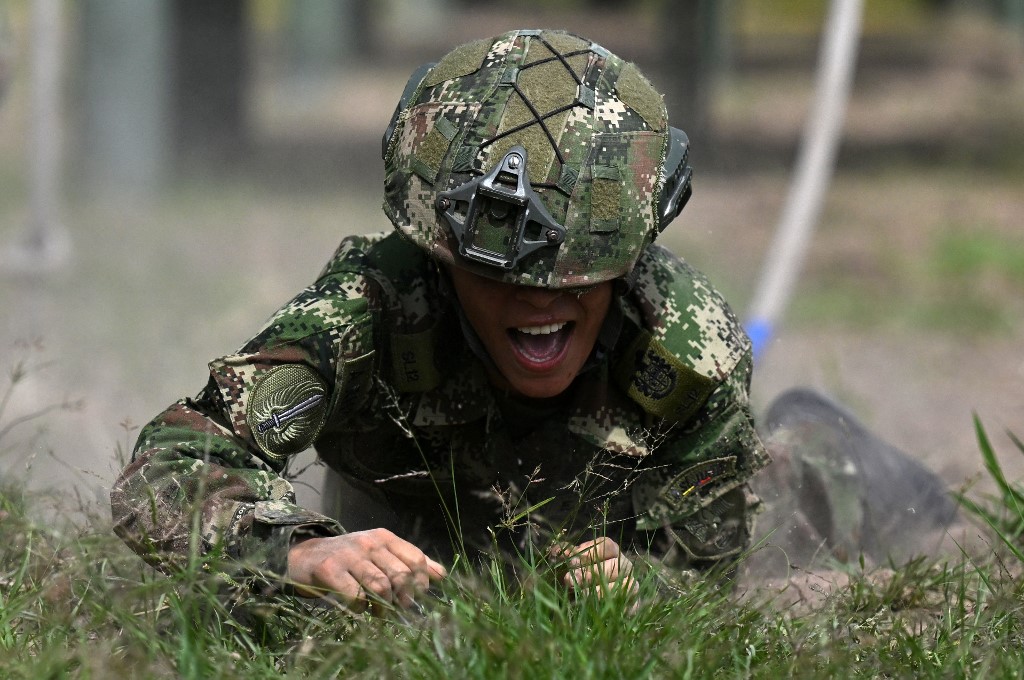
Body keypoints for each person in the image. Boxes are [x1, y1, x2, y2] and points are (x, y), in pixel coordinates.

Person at [110, 29, 957, 613]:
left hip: (678, 517)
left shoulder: (686, 344)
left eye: (579, 275)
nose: (540, 301)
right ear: (441, 257)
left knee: (808, 489)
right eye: (499, 274)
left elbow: (710, 562)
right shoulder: (370, 307)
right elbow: (179, 456)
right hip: (436, 541)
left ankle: (822, 439)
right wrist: (290, 551)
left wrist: (644, 586)